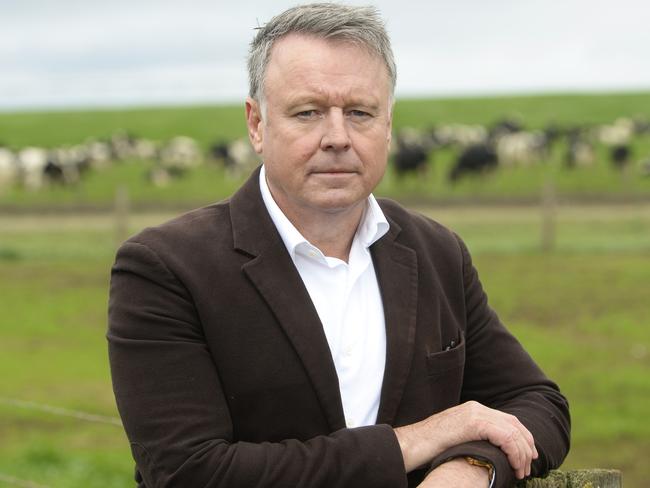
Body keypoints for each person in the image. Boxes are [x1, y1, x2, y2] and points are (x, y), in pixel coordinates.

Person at [107, 3, 570, 487]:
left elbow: (539, 404)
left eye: (360, 113)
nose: (337, 137)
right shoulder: (165, 269)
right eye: (307, 113)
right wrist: (419, 440)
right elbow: (190, 473)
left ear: (388, 124)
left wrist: (471, 466)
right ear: (256, 124)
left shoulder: (437, 252)